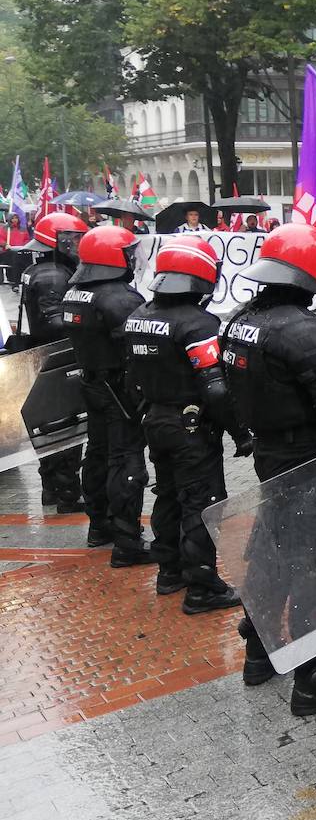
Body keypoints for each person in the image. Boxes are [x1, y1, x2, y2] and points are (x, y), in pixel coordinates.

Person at [222, 224, 316, 715]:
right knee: (313, 565)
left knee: (271, 554)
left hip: (271, 457)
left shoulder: (240, 320)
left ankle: (258, 653)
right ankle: (314, 679)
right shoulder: (305, 330)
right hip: (310, 462)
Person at [126, 237, 251, 608]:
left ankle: (170, 572)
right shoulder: (198, 324)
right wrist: (239, 432)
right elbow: (214, 391)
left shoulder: (139, 318)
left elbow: (130, 376)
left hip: (155, 419)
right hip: (191, 426)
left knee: (167, 496)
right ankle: (203, 588)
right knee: (202, 502)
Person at [62, 226, 154, 566]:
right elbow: (142, 347)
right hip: (118, 388)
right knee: (125, 459)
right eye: (127, 253)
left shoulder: (74, 292)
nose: (132, 259)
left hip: (92, 382)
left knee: (98, 453)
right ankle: (128, 540)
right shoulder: (119, 297)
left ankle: (99, 526)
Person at [16, 212, 89, 513]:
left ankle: (51, 488)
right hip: (55, 355)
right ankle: (67, 494)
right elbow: (54, 322)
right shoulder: (53, 275)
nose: (77, 244)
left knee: (49, 425)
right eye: (72, 239)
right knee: (65, 426)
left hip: (41, 355)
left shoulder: (39, 269)